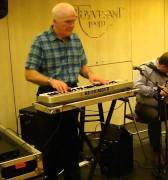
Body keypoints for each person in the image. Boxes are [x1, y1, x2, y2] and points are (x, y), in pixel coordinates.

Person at [25, 3, 107, 179]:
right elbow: (29, 73)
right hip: (49, 94)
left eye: (73, 21)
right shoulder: (41, 40)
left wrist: (91, 75)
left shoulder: (76, 39)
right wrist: (51, 80)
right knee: (50, 147)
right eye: (67, 22)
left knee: (71, 143)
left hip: (71, 93)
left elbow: (82, 66)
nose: (71, 25)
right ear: (54, 21)